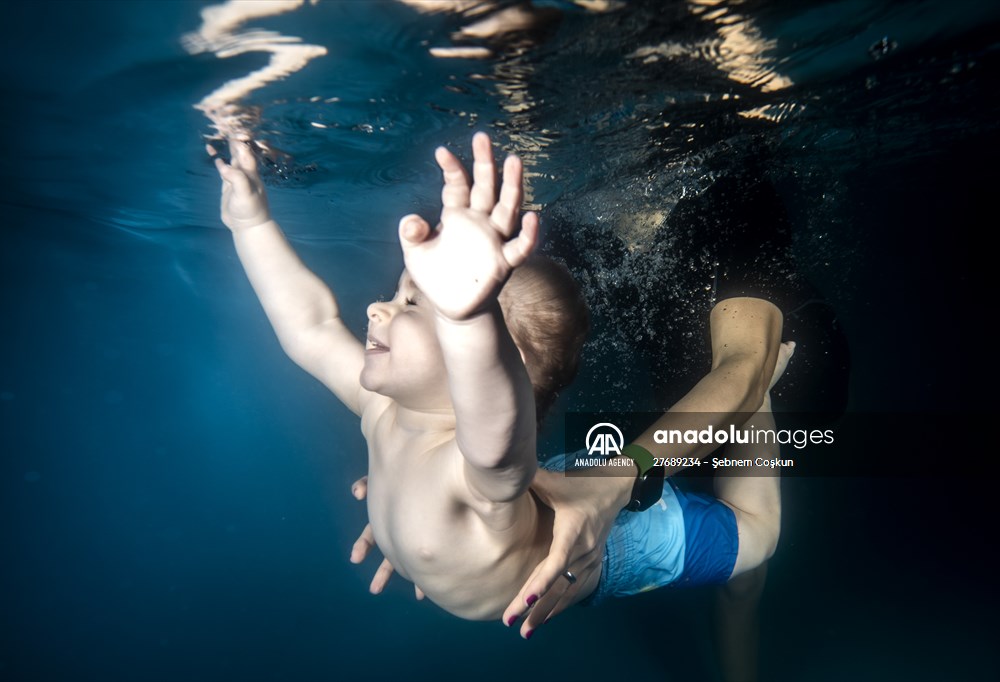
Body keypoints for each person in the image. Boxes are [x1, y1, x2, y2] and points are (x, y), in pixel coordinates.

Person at [209, 131, 790, 630]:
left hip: (610, 547)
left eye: (413, 304)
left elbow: (494, 413)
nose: (377, 309)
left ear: (487, 353)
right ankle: (741, 384)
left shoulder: (483, 470)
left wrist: (466, 314)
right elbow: (310, 326)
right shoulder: (378, 408)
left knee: (759, 535)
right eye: (396, 295)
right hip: (554, 494)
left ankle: (751, 385)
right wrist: (251, 223)